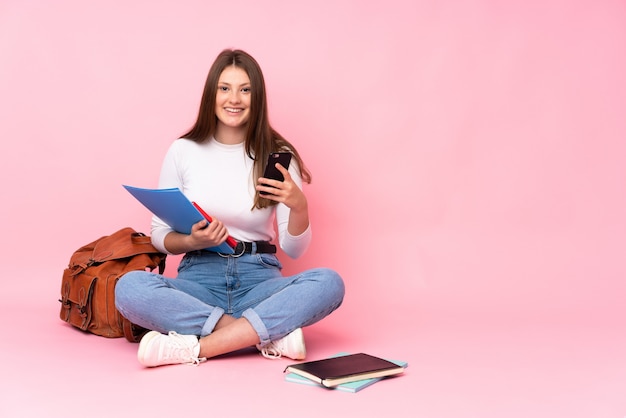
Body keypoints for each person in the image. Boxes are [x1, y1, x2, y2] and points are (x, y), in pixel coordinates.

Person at [115, 49, 345, 368]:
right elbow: (158, 236)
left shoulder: (277, 154)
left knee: (329, 282)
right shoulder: (183, 151)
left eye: (245, 89)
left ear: (257, 96)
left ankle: (195, 348)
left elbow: (294, 250)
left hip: (259, 279)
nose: (234, 98)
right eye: (225, 88)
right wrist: (191, 242)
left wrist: (300, 206)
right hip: (198, 281)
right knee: (129, 288)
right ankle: (263, 334)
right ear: (212, 93)